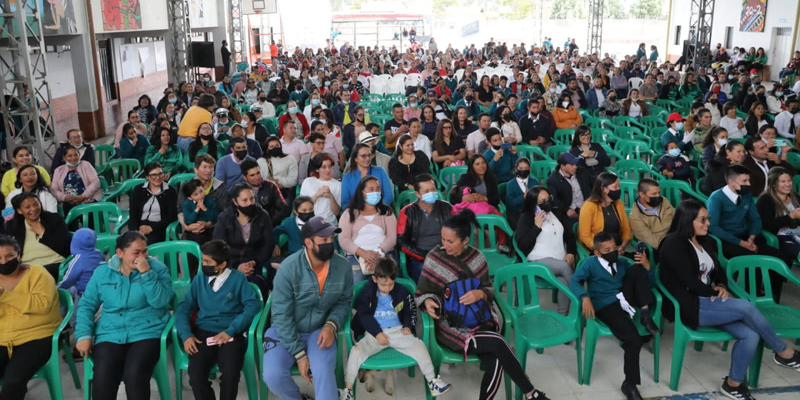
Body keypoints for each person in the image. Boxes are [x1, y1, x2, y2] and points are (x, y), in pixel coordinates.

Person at [659, 199, 800, 400]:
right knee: (746, 307)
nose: (707, 223)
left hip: (711, 301)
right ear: (687, 220)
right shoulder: (673, 244)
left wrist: (722, 286)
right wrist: (714, 292)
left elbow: (719, 271)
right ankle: (783, 352)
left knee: (750, 335)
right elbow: (689, 281)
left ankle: (733, 384)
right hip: (690, 304)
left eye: (708, 219)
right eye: (702, 220)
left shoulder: (705, 240)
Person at [416, 210, 551, 400]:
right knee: (500, 342)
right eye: (443, 239)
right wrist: (429, 301)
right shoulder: (435, 258)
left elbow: (488, 289)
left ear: (465, 240)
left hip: (480, 320)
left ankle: (529, 393)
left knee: (496, 360)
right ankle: (531, 392)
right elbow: (422, 293)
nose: (444, 245)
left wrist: (480, 293)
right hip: (451, 327)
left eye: (450, 241)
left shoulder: (477, 258)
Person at [262, 216, 353, 400]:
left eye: (331, 239)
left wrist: (331, 325)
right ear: (308, 243)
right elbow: (280, 315)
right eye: (324, 240)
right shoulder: (288, 268)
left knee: (323, 371)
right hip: (286, 329)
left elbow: (344, 301)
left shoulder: (343, 266)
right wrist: (299, 354)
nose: (330, 243)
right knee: (273, 375)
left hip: (319, 330)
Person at [340, 257, 451, 400]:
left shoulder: (401, 291)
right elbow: (363, 314)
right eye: (383, 284)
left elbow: (410, 310)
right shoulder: (368, 291)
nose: (387, 288)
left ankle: (432, 382)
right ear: (375, 279)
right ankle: (348, 390)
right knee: (356, 352)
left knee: (420, 346)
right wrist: (377, 332)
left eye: (390, 284)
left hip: (397, 331)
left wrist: (408, 326)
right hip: (375, 333)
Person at [570, 232, 657, 400]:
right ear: (597, 252)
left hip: (623, 299)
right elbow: (575, 281)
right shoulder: (590, 263)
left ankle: (645, 314)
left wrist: (648, 266)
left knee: (637, 269)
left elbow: (649, 284)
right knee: (634, 339)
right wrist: (584, 297)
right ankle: (629, 384)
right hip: (605, 304)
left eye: (614, 248)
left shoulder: (622, 262)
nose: (613, 252)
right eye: (607, 250)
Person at [175, 239, 261, 400]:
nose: (203, 264)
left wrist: (231, 330)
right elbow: (184, 307)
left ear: (222, 264)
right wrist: (186, 335)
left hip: (230, 334)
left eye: (208, 261)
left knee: (230, 375)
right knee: (196, 377)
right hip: (203, 334)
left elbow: (252, 306)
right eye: (202, 260)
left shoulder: (237, 279)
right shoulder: (199, 279)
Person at [706, 164, 790, 301]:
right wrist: (741, 243)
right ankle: (752, 297)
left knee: (781, 257)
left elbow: (755, 219)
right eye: (744, 181)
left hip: (746, 237)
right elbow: (713, 227)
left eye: (749, 180)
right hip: (725, 240)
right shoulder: (716, 198)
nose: (748, 184)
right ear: (732, 182)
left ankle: (772, 296)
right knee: (753, 260)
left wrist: (751, 237)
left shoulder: (746, 195)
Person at [0, 234, 62, 399]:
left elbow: (42, 306)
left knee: (13, 381)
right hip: (3, 338)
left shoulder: (38, 274)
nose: (4, 261)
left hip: (37, 336)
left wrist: (5, 295)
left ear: (18, 255)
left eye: (9, 256)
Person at [515, 186, 577, 315]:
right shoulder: (526, 218)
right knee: (566, 268)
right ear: (534, 203)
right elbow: (522, 245)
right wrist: (537, 226)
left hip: (558, 259)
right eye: (542, 200)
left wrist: (571, 252)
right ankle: (583, 298)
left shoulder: (556, 213)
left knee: (564, 281)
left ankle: (563, 316)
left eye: (548, 198)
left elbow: (569, 235)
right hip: (537, 260)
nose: (547, 202)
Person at [212, 183, 274, 296]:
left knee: (257, 284)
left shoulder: (263, 215)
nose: (250, 203)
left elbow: (268, 244)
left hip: (255, 260)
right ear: (235, 202)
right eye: (244, 200)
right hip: (230, 262)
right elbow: (218, 247)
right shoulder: (224, 218)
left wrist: (254, 261)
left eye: (252, 199)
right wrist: (235, 266)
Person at [338, 176, 397, 283]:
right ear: (362, 192)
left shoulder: (386, 212)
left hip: (383, 255)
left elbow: (392, 238)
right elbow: (344, 240)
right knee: (358, 282)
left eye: (378, 189)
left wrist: (378, 253)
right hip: (357, 256)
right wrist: (363, 253)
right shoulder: (350, 213)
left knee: (386, 281)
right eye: (371, 189)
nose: (375, 192)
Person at [578, 172, 632, 255]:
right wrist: (604, 250)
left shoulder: (618, 204)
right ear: (604, 189)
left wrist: (622, 247)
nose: (618, 189)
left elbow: (626, 229)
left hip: (617, 249)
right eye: (615, 187)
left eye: (619, 186)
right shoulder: (589, 206)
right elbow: (584, 236)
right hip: (598, 251)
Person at [757, 167, 800, 263]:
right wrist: (790, 217)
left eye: (789, 181)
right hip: (781, 236)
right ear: (773, 184)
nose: (788, 184)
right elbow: (767, 225)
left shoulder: (795, 196)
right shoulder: (766, 199)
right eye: (783, 181)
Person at [128, 162, 178, 244]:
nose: (158, 177)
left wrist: (152, 228)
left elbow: (172, 216)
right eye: (153, 175)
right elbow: (133, 213)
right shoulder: (138, 189)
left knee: (142, 244)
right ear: (147, 177)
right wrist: (136, 231)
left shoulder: (170, 191)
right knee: (122, 243)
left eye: (160, 174)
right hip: (139, 227)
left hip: (159, 228)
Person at [51, 146, 102, 215]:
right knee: (68, 212)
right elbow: (54, 190)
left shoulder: (86, 165)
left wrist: (83, 196)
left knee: (89, 213)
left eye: (76, 155)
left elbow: (96, 182)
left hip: (87, 198)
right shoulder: (58, 171)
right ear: (64, 157)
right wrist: (65, 197)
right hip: (69, 201)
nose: (73, 158)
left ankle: (89, 225)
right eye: (69, 156)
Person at [341, 143, 394, 208]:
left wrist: (378, 210)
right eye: (363, 156)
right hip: (357, 215)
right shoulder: (347, 177)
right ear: (355, 159)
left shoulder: (380, 171)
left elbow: (389, 195)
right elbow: (345, 202)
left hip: (380, 211)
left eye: (369, 155)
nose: (368, 158)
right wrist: (358, 213)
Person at [628, 179, 675, 251]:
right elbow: (652, 241)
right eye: (654, 194)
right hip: (658, 248)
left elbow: (676, 220)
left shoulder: (663, 201)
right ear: (642, 195)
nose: (658, 196)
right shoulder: (635, 216)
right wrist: (673, 244)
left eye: (659, 193)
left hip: (675, 237)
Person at [548, 152, 592, 226]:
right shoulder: (553, 180)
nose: (575, 167)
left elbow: (593, 186)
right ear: (563, 166)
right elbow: (554, 199)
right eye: (572, 165)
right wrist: (566, 210)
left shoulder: (582, 172)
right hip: (568, 211)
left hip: (586, 206)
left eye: (575, 164)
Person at [241, 159, 289, 224]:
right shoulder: (240, 190)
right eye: (252, 175)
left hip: (269, 226)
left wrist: (270, 222)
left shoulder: (271, 186)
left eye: (258, 173)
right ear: (244, 177)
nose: (257, 177)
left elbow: (284, 209)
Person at [300, 154, 343, 226]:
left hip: (328, 223)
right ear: (317, 169)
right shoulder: (308, 182)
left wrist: (331, 197)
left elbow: (337, 213)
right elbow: (302, 206)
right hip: (309, 222)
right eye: (324, 167)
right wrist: (317, 195)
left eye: (330, 167)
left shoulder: (338, 185)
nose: (328, 170)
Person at [181, 178, 219, 250]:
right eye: (196, 194)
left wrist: (204, 209)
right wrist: (197, 210)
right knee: (195, 242)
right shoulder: (186, 204)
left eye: (201, 191)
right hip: (193, 230)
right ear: (190, 197)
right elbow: (188, 221)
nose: (200, 195)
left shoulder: (209, 200)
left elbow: (214, 217)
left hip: (209, 228)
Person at [260, 136, 299, 202]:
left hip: (286, 191)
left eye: (277, 145)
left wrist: (277, 181)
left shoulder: (290, 159)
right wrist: (272, 185)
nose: (275, 148)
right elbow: (260, 180)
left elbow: (293, 180)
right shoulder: (261, 161)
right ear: (267, 149)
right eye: (271, 146)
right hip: (266, 192)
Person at [505, 158, 539, 229]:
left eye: (526, 168)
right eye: (521, 168)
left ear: (530, 169)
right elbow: (511, 203)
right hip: (516, 213)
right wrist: (523, 197)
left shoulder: (534, 182)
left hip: (531, 213)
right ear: (516, 169)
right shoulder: (510, 184)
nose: (523, 170)